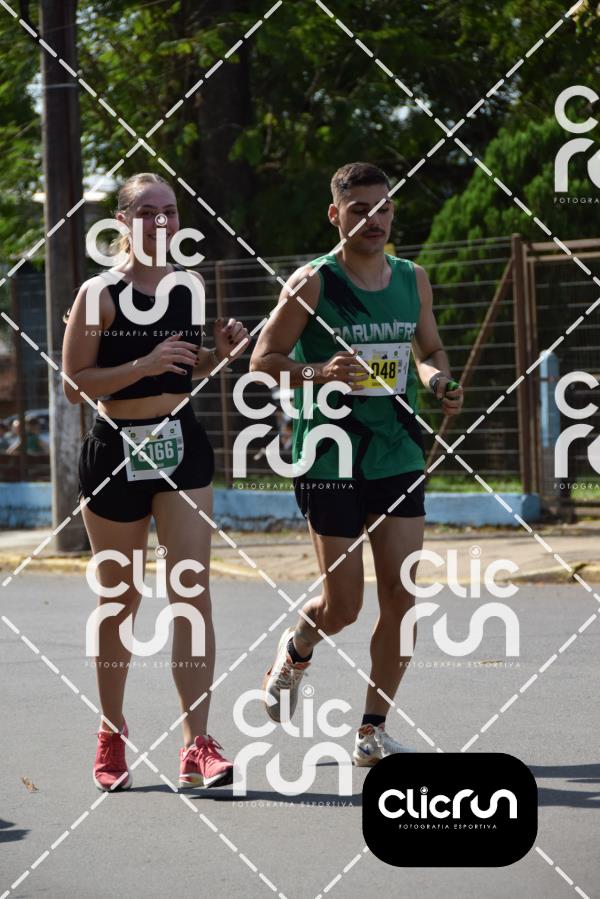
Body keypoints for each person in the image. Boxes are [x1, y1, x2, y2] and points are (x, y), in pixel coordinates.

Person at [250, 161, 463, 765]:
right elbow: (263, 360)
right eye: (360, 209)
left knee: (402, 597)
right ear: (335, 214)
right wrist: (319, 371)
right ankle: (298, 646)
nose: (375, 219)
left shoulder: (413, 278)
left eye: (384, 207)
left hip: (397, 451)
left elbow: (429, 347)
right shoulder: (314, 282)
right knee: (343, 606)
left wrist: (437, 379)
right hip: (331, 455)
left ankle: (371, 731)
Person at [62, 172, 249, 791]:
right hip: (116, 451)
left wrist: (220, 354)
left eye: (169, 210)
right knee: (120, 600)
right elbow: (74, 384)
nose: (161, 221)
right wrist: (142, 363)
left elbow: (185, 371)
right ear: (122, 222)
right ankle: (111, 731)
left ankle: (198, 742)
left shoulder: (188, 286)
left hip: (180, 447)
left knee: (191, 593)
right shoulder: (99, 293)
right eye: (147, 211)